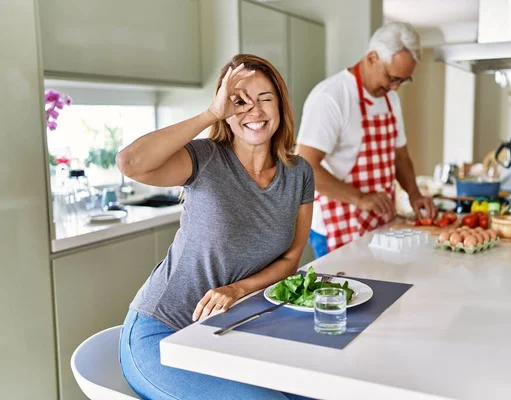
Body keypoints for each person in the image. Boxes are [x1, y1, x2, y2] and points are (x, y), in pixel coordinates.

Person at [116, 54, 314, 400]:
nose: (254, 110)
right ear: (225, 108)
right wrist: (210, 114)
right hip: (163, 332)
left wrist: (237, 289)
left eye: (265, 98)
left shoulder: (299, 173)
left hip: (230, 333)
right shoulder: (204, 158)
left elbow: (291, 258)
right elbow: (130, 162)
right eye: (239, 101)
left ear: (281, 106)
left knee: (315, 390)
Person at [297, 22, 436, 258]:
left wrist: (414, 194)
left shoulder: (390, 99)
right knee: (344, 292)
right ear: (372, 57)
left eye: (403, 81)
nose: (395, 88)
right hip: (335, 223)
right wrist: (360, 198)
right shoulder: (331, 97)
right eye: (392, 78)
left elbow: (400, 156)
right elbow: (304, 166)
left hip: (378, 221)